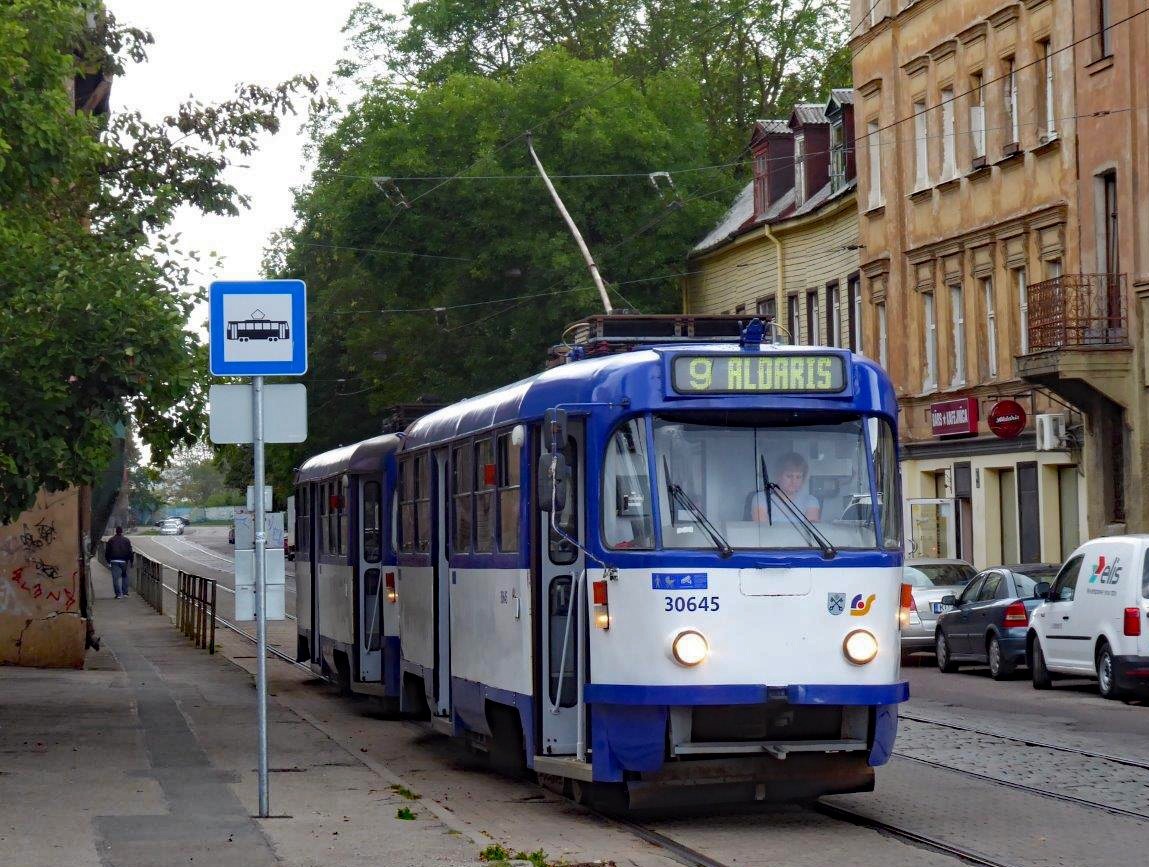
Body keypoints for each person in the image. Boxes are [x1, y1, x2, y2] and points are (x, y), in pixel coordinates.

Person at [750, 452, 821, 524]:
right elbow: (762, 531)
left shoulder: (811, 501)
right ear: (778, 475)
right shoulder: (761, 499)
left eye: (798, 477)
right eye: (789, 476)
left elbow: (810, 531)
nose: (794, 481)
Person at [105, 526, 134, 599]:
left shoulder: (111, 540)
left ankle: (118, 594)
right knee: (125, 576)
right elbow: (130, 552)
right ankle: (125, 593)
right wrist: (131, 561)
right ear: (122, 531)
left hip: (114, 561)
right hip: (124, 561)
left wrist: (108, 561)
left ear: (116, 531)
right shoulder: (126, 540)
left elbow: (107, 552)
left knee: (115, 578)